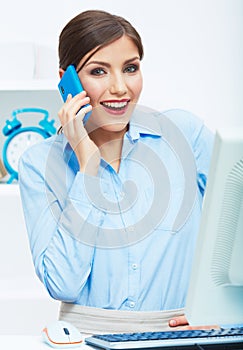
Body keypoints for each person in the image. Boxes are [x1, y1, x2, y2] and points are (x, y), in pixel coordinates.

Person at [18, 9, 214, 334]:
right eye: (99, 71)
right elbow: (62, 283)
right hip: (86, 338)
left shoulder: (185, 136)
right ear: (66, 81)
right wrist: (88, 166)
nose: (120, 87)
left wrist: (224, 310)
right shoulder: (38, 163)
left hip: (182, 333)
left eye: (130, 68)